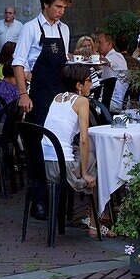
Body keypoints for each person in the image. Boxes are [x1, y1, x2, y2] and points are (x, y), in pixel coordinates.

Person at [42, 63, 97, 222]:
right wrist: (85, 172)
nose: (91, 84)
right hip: (63, 169)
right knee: (98, 159)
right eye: (89, 80)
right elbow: (84, 140)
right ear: (79, 85)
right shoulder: (82, 101)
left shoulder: (57, 97)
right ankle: (94, 218)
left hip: (45, 164)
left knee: (79, 151)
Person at [13, 0, 72, 125]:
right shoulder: (30, 28)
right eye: (58, 6)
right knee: (38, 137)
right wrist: (23, 95)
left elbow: (63, 60)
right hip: (39, 94)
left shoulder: (64, 29)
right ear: (46, 4)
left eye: (64, 7)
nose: (62, 11)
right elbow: (18, 63)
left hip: (60, 93)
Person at [96, 31, 129, 110]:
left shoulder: (116, 56)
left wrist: (90, 58)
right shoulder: (111, 56)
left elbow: (105, 62)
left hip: (113, 101)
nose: (97, 45)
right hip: (109, 100)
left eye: (100, 43)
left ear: (109, 43)